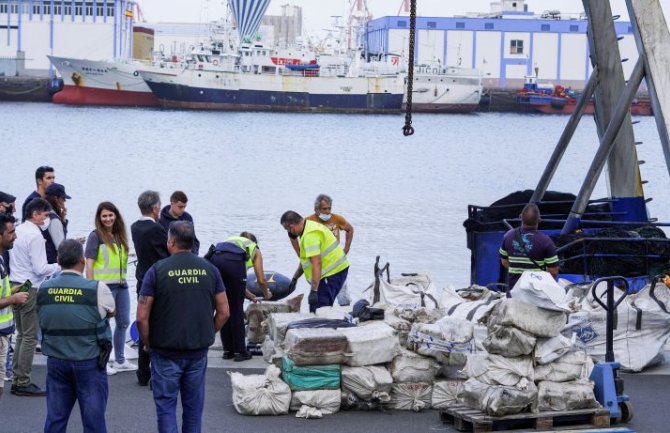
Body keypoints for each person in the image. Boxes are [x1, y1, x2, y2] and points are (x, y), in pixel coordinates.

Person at [136, 221, 229, 433]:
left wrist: (149, 344)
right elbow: (224, 312)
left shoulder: (156, 271)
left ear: (171, 242)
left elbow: (142, 317)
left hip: (165, 351)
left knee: (166, 408)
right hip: (197, 352)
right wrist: (208, 331)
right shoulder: (210, 270)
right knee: (194, 410)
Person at [37, 239, 115, 433]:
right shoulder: (97, 288)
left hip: (56, 360)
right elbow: (111, 311)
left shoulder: (43, 288)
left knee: (55, 420)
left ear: (58, 259)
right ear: (82, 260)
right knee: (94, 423)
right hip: (88, 361)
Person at [9, 198, 61, 396]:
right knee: (30, 336)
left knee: (21, 335)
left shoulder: (18, 230)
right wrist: (59, 265)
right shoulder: (36, 236)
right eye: (45, 215)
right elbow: (40, 269)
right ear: (36, 214)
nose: (47, 218)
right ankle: (23, 381)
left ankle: (17, 377)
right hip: (30, 285)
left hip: (15, 283)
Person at [85, 202, 136, 375]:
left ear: (116, 216)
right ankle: (103, 361)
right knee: (102, 324)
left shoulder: (119, 235)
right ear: (99, 218)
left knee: (123, 323)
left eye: (110, 215)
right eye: (104, 216)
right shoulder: (95, 236)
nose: (108, 219)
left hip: (121, 285)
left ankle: (120, 360)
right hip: (103, 287)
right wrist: (90, 287)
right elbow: (89, 264)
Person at [207, 232, 272, 362]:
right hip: (232, 263)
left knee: (223, 306)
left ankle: (228, 351)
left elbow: (234, 282)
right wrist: (266, 294)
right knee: (236, 309)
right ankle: (241, 352)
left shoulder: (231, 241)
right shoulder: (254, 248)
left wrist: (249, 295)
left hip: (214, 259)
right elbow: (261, 279)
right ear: (254, 242)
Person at [130, 190, 169, 386]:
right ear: (155, 208)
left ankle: (143, 371)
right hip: (159, 279)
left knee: (143, 322)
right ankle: (159, 369)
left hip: (141, 277)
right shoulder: (158, 229)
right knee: (160, 324)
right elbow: (166, 251)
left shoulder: (135, 227)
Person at [280, 211, 349, 313]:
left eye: (288, 229)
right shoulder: (307, 226)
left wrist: (314, 291)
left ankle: (325, 328)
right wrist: (295, 278)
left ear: (292, 226)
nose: (290, 233)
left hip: (332, 273)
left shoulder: (309, 235)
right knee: (316, 307)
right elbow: (306, 261)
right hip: (333, 271)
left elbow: (316, 263)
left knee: (319, 310)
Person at [499, 203, 560, 294]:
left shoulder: (508, 236)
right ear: (539, 220)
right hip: (536, 296)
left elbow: (504, 262)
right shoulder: (545, 241)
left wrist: (520, 269)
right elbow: (553, 271)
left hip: (514, 294)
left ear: (520, 217)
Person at [0, 214, 30, 399]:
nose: (15, 237)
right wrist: (14, 299)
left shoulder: (2, 259)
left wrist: (12, 290)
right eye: (11, 233)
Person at [290, 193, 354, 256]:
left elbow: (350, 229)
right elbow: (292, 234)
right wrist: (299, 253)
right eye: (324, 209)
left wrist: (346, 249)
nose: (328, 212)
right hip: (315, 257)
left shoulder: (337, 219)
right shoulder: (307, 221)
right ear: (316, 209)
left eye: (329, 208)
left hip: (334, 256)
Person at [158, 191, 200, 255]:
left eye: (184, 207)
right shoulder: (160, 219)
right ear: (172, 204)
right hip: (167, 258)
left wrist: (193, 255)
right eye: (180, 207)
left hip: (187, 257)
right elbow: (158, 244)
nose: (183, 210)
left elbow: (194, 241)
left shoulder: (188, 218)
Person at [44, 183, 71, 265]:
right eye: (63, 198)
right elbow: (61, 247)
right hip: (53, 264)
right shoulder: (54, 220)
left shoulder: (45, 214)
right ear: (56, 199)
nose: (64, 201)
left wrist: (63, 220)